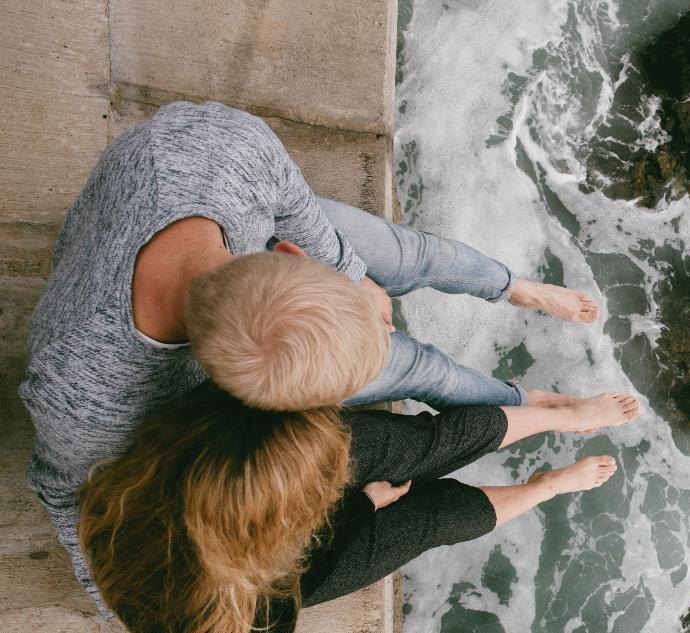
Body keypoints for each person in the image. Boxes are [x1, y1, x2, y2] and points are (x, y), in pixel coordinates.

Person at [20, 99, 601, 607]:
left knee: (406, 258)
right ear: (233, 401)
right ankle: (526, 401)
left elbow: (293, 202)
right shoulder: (85, 392)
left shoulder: (225, 150)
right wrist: (114, 598)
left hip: (226, 215)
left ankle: (517, 287)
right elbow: (63, 488)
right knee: (416, 366)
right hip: (198, 256)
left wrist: (352, 276)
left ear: (296, 256)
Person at [78, 383, 640, 633]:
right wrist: (358, 509)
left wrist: (349, 485)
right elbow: (305, 570)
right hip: (272, 578)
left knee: (423, 447)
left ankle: (567, 417)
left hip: (252, 469)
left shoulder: (164, 471)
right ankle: (545, 487)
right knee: (433, 521)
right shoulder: (244, 632)